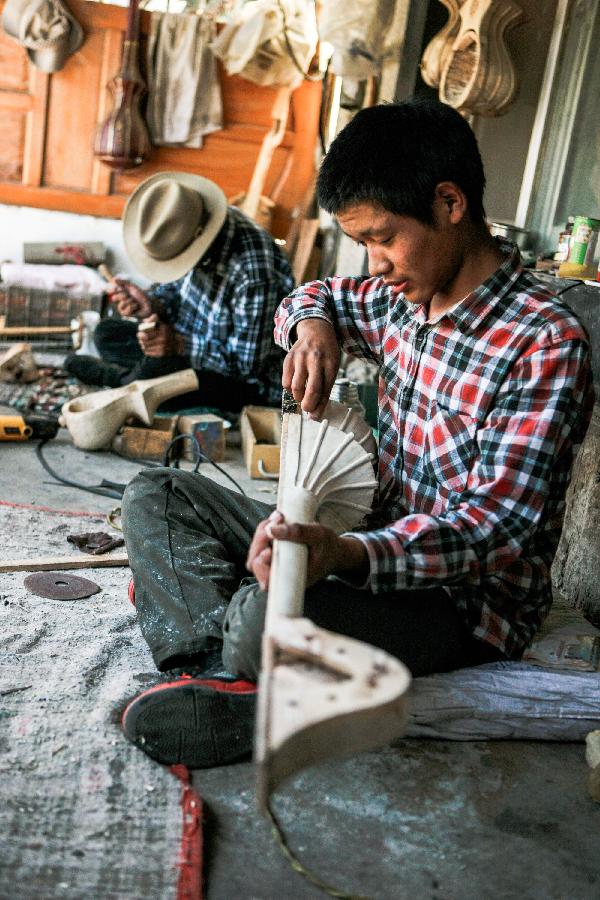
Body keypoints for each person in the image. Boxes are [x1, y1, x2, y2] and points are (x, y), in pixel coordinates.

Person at [119, 99, 594, 769]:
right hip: (359, 537)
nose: (374, 262)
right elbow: (313, 295)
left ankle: (237, 655)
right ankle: (216, 671)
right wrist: (311, 326)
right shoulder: (399, 297)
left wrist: (343, 554)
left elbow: (496, 528)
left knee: (261, 615)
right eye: (363, 242)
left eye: (383, 237)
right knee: (157, 495)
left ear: (450, 203)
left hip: (458, 603)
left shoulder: (543, 341)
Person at [65, 172, 294, 412]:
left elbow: (246, 366)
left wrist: (178, 345)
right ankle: (134, 379)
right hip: (185, 344)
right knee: (106, 333)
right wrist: (152, 304)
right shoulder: (191, 227)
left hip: (241, 383)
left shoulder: (253, 272)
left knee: (153, 378)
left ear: (200, 241)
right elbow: (173, 290)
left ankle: (120, 380)